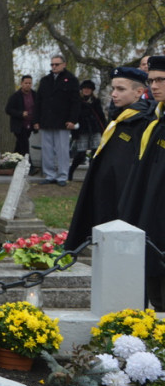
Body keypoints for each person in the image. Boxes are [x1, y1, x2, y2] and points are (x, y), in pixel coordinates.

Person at [64, 68, 153, 251]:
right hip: (106, 195)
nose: (113, 94)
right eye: (113, 88)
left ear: (138, 92)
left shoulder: (143, 122)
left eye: (121, 89)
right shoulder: (121, 117)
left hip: (121, 200)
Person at [120, 56, 165, 310]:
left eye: (160, 80)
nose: (154, 86)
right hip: (150, 220)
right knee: (155, 297)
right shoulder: (156, 120)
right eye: (151, 81)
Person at [33, 54, 81, 186]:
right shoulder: (45, 80)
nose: (54, 67)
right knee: (47, 150)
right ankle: (49, 174)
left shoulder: (71, 80)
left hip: (63, 121)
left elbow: (75, 102)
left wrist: (72, 120)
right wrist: (36, 120)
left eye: (56, 64)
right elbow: (38, 102)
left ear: (64, 64)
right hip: (46, 120)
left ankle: (62, 175)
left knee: (62, 150)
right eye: (52, 64)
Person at [68, 79, 107, 181]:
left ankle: (92, 175)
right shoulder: (77, 101)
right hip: (82, 130)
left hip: (95, 129)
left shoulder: (96, 101)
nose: (86, 90)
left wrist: (105, 129)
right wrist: (74, 132)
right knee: (81, 154)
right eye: (84, 88)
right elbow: (74, 116)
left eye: (88, 89)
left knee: (95, 153)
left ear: (92, 90)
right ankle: (70, 171)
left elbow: (101, 116)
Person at [4, 75, 35, 156]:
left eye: (30, 83)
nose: (28, 85)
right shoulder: (15, 96)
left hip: (30, 125)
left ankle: (13, 161)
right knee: (25, 146)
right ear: (21, 83)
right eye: (26, 83)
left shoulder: (35, 95)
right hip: (19, 126)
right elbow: (8, 109)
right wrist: (21, 113)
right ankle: (29, 165)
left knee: (19, 146)